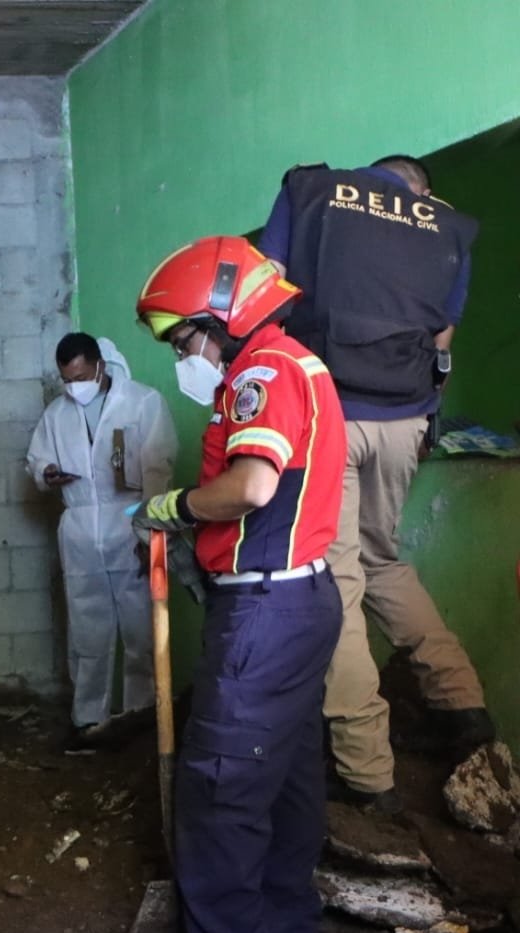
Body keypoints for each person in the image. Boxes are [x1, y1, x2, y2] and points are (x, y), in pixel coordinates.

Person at [132, 235, 345, 933]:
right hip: (295, 600)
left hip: (266, 613)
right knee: (283, 781)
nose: (182, 355)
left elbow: (253, 486)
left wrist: (174, 508)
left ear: (222, 316)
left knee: (221, 790)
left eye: (184, 338)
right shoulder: (289, 363)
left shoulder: (264, 369)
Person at [259, 154, 490, 811]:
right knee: (382, 560)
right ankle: (465, 708)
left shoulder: (314, 192)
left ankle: (366, 773)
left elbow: (269, 287)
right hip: (405, 419)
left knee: (337, 577)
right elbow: (443, 335)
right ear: (421, 189)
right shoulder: (447, 227)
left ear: (370, 176)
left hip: (329, 413)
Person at [27, 333, 175, 753]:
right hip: (78, 529)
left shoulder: (143, 403)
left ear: (99, 365)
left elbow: (158, 471)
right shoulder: (57, 413)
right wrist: (47, 472)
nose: (74, 386)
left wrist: (150, 537)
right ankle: (88, 721)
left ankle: (141, 721)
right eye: (66, 379)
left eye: (80, 375)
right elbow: (36, 459)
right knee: (87, 634)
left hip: (130, 525)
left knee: (141, 633)